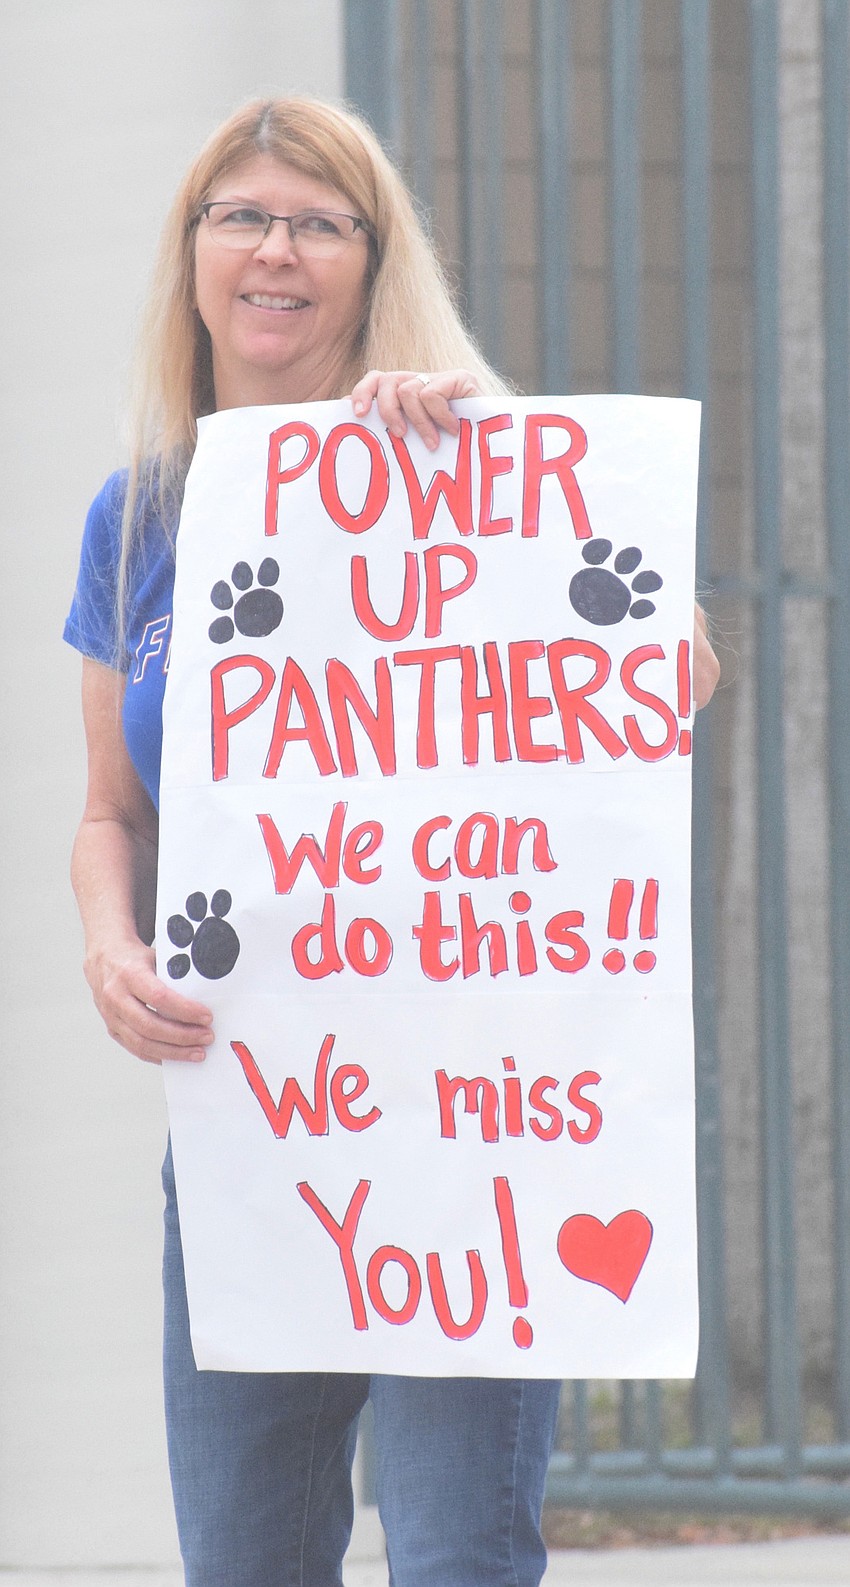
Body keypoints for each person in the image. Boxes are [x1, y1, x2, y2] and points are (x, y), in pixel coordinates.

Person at [65, 96, 719, 1587]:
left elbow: (662, 674)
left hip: (473, 1126)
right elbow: (112, 811)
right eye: (241, 214)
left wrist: (490, 464)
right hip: (253, 1124)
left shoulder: (472, 472)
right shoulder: (138, 518)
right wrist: (110, 949)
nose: (276, 248)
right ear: (192, 256)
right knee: (246, 1565)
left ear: (372, 261)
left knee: (452, 1564)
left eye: (319, 220)